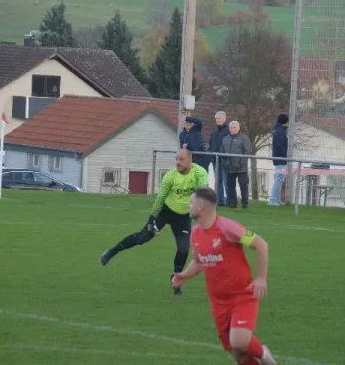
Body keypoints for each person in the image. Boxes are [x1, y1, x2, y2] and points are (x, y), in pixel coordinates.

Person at [172, 187, 276, 365]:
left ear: (200, 208)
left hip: (242, 295)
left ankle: (264, 354)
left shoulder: (227, 228)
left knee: (240, 341)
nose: (187, 206)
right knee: (238, 354)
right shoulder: (196, 233)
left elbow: (261, 245)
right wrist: (185, 275)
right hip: (218, 302)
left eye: (190, 202)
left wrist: (261, 278)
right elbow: (199, 261)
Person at [100, 149, 208, 295]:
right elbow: (160, 198)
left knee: (183, 249)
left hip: (183, 216)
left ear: (190, 160)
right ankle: (111, 252)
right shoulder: (170, 176)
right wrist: (152, 219)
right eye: (176, 159)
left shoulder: (200, 173)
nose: (178, 162)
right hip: (166, 211)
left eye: (181, 159)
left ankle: (176, 280)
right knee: (142, 238)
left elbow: (202, 190)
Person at [220, 121, 253, 209]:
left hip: (241, 168)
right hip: (229, 167)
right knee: (230, 186)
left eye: (234, 127)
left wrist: (241, 162)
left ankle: (244, 204)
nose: (233, 129)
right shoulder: (225, 139)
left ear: (238, 128)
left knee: (243, 185)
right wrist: (224, 163)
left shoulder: (244, 138)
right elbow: (221, 152)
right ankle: (232, 204)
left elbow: (248, 151)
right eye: (231, 128)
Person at [209, 111, 230, 206]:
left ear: (225, 118)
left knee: (226, 180)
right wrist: (210, 152)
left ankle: (230, 201)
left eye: (220, 118)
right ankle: (220, 201)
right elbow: (211, 142)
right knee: (218, 180)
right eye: (217, 118)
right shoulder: (214, 130)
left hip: (225, 160)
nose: (218, 120)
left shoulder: (228, 130)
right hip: (215, 159)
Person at [268, 114, 288, 206]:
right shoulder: (280, 132)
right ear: (285, 122)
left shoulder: (279, 130)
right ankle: (272, 200)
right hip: (280, 159)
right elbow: (279, 146)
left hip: (280, 159)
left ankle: (277, 199)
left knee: (280, 178)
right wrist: (283, 155)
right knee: (279, 178)